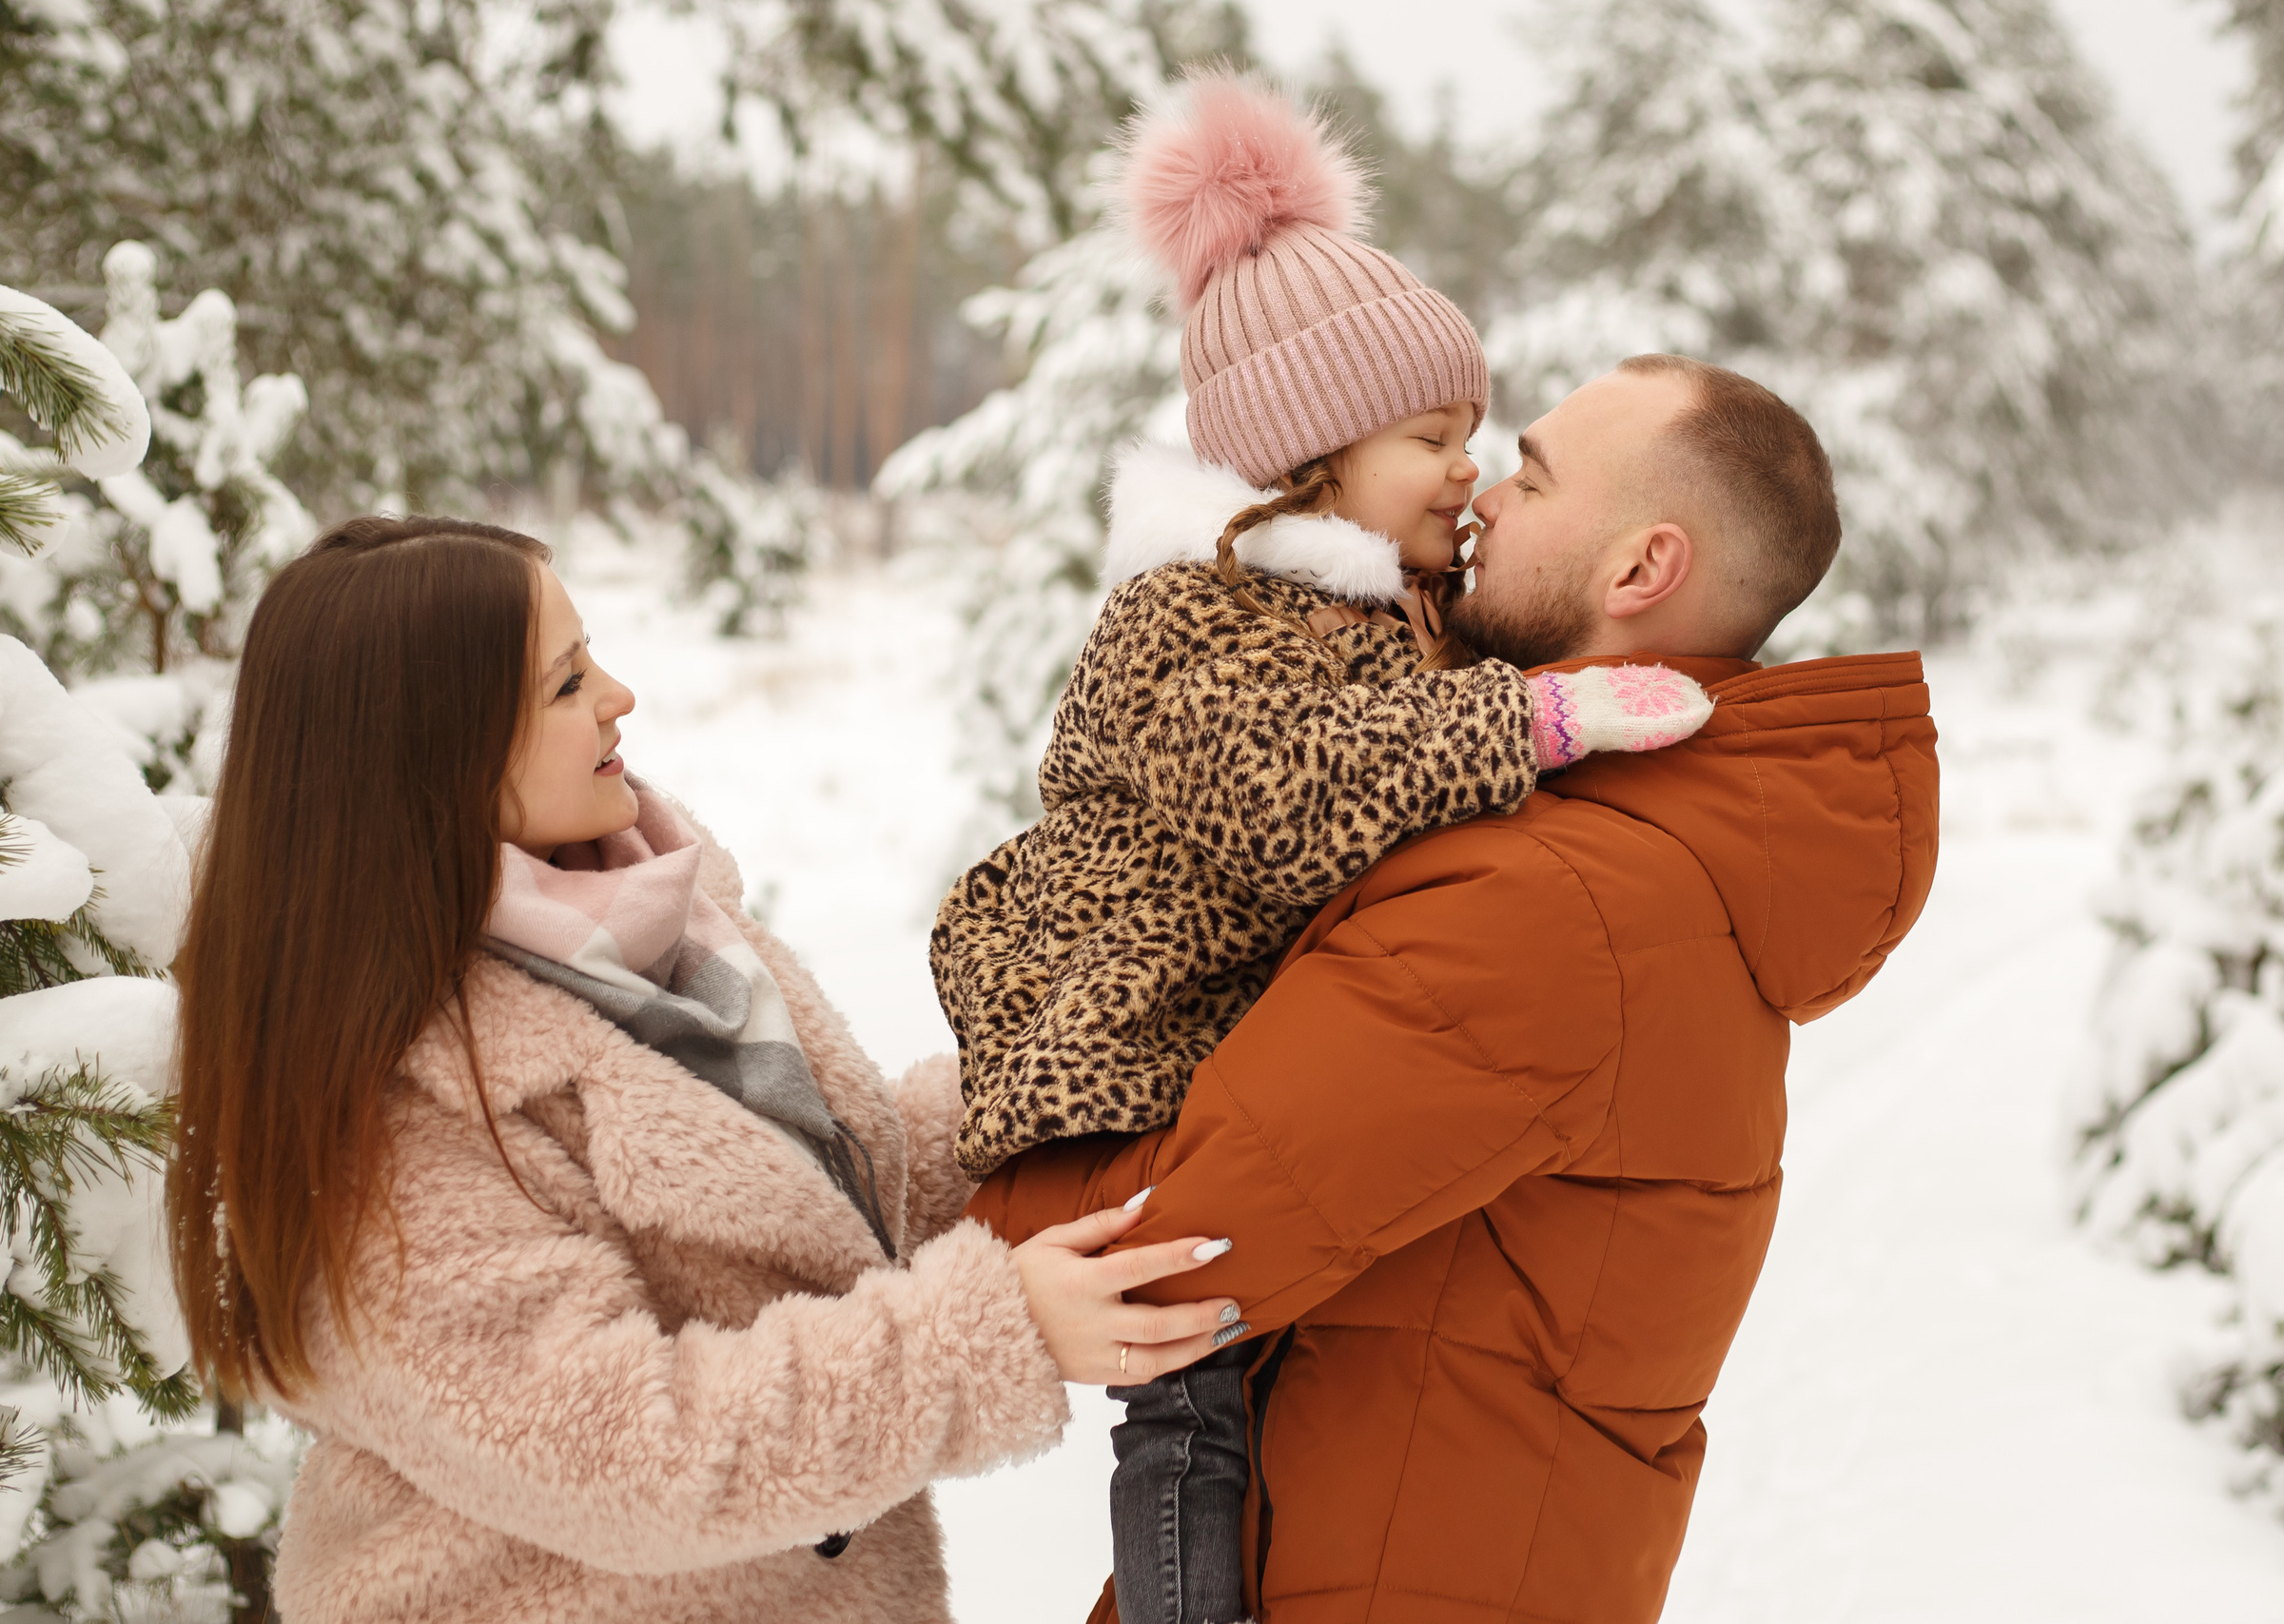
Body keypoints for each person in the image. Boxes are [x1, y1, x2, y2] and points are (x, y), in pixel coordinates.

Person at [966, 353, 1943, 1623]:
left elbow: (1162, 1250)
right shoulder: (1621, 852)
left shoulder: (1556, 901)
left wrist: (961, 1152)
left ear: (1640, 570)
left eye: (1531, 473)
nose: (1481, 494)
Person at [930, 75, 1713, 1624]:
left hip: (1222, 1056)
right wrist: (1536, 727)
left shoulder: (1349, 609)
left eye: (1474, 436)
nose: (1466, 471)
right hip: (1130, 1061)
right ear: (1313, 451)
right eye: (1434, 436)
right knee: (1191, 1395)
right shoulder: (1190, 618)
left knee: (1256, 1370)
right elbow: (1294, 804)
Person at [164, 516, 1244, 1624]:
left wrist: (1062, 1080)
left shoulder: (653, 929)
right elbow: (633, 1452)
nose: (619, 695)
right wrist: (991, 1336)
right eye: (565, 682)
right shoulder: (382, 1116)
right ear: (431, 753)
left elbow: (828, 1208)